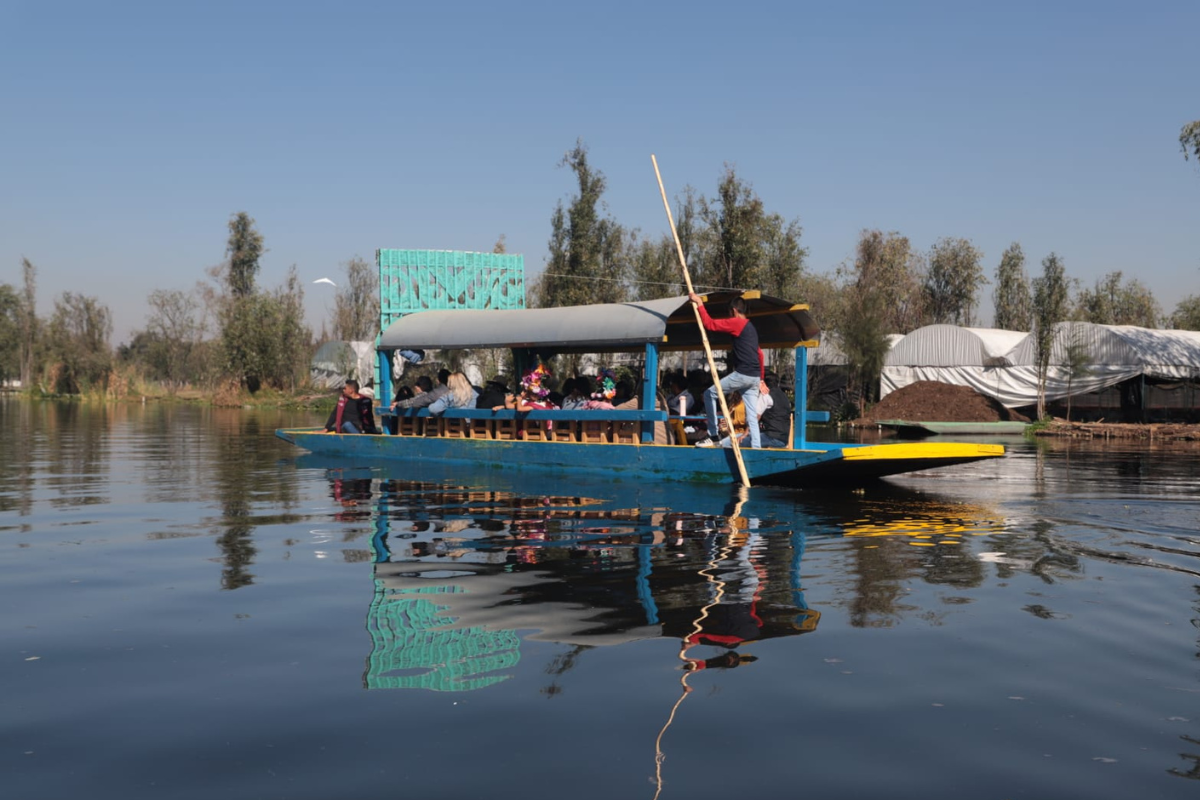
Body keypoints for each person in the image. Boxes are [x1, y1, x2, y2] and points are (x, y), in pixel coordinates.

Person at [687, 293, 764, 448]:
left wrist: (700, 303)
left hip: (743, 375)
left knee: (709, 394)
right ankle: (757, 449)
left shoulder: (737, 323)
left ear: (734, 311)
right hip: (754, 377)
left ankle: (713, 435)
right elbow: (760, 353)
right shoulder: (751, 328)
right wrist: (761, 379)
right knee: (751, 417)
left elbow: (710, 324)